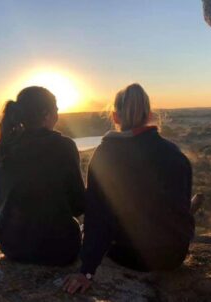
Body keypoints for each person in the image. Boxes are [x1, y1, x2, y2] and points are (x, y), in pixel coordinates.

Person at [63, 83, 195, 294]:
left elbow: (98, 218)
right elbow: (181, 209)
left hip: (135, 258)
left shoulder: (106, 155)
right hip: (174, 255)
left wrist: (86, 271)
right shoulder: (174, 153)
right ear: (150, 115)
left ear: (115, 117)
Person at [0, 86, 85, 266]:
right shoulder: (63, 146)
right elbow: (78, 205)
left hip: (11, 245)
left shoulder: (2, 148)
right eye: (56, 110)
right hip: (58, 249)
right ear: (46, 114)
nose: (58, 115)